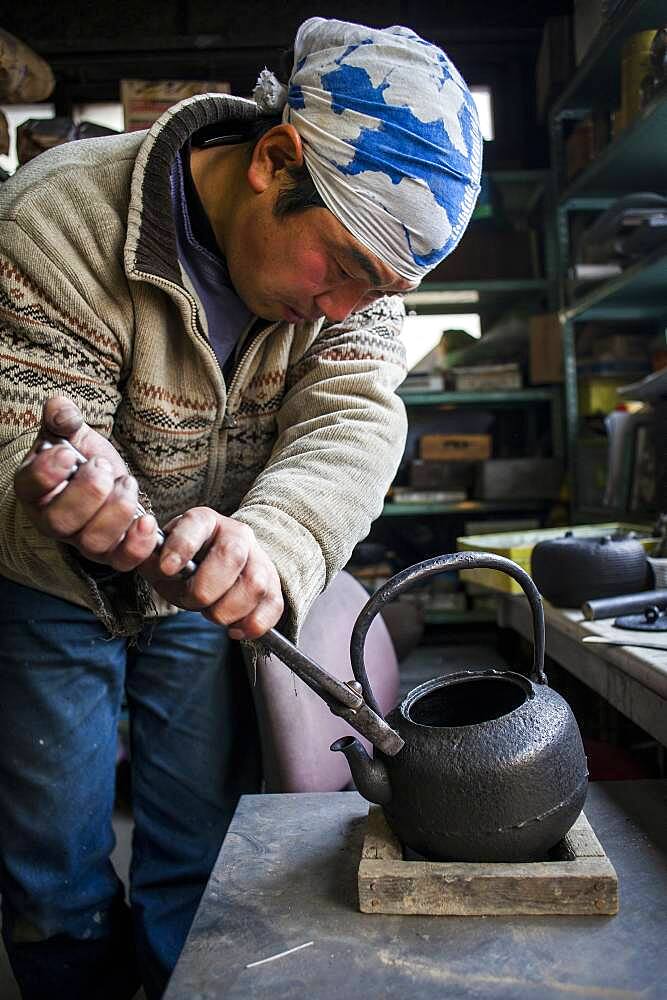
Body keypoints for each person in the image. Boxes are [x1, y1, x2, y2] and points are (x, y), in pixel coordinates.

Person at [0, 15, 482, 1000]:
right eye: (340, 268)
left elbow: (351, 422)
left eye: (380, 289)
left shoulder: (367, 273)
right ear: (273, 157)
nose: (350, 305)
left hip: (203, 581)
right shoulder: (56, 218)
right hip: (47, 586)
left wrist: (270, 544)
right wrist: (58, 495)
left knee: (201, 850)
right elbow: (16, 441)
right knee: (53, 875)